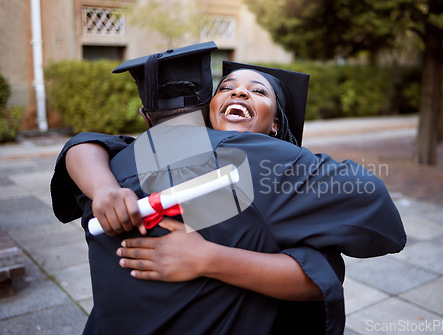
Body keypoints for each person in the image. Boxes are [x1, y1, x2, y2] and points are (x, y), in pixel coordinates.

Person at [51, 42, 406, 335]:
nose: (239, 91)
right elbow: (375, 220)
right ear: (207, 112)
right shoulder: (269, 167)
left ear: (275, 125)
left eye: (257, 90)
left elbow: (84, 144)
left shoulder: (117, 166)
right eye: (227, 87)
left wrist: (207, 258)